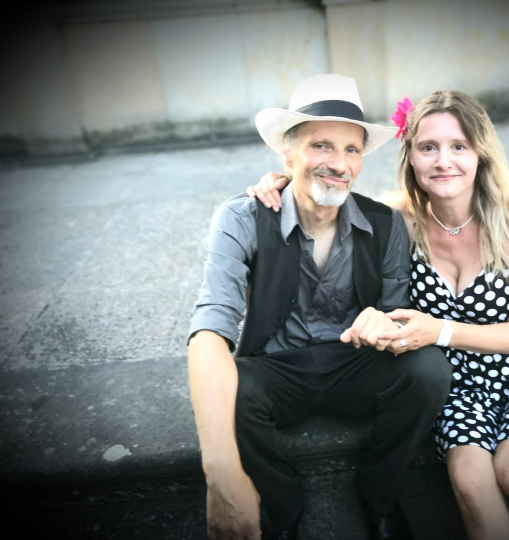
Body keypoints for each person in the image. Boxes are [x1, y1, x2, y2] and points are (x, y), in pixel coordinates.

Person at [249, 90, 509, 540]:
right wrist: (280, 183)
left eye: (459, 146)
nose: (443, 161)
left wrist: (439, 331)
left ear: (480, 153)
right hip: (455, 384)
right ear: (410, 156)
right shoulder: (398, 216)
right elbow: (326, 197)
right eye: (428, 147)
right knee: (471, 482)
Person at [187, 74, 452, 540]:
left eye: (351, 150)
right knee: (230, 388)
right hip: (276, 367)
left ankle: (379, 496)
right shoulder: (242, 217)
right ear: (287, 154)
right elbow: (210, 326)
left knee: (429, 370)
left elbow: (398, 315)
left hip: (355, 364)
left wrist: (385, 325)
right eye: (321, 146)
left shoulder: (385, 223)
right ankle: (282, 509)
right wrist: (220, 472)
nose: (339, 163)